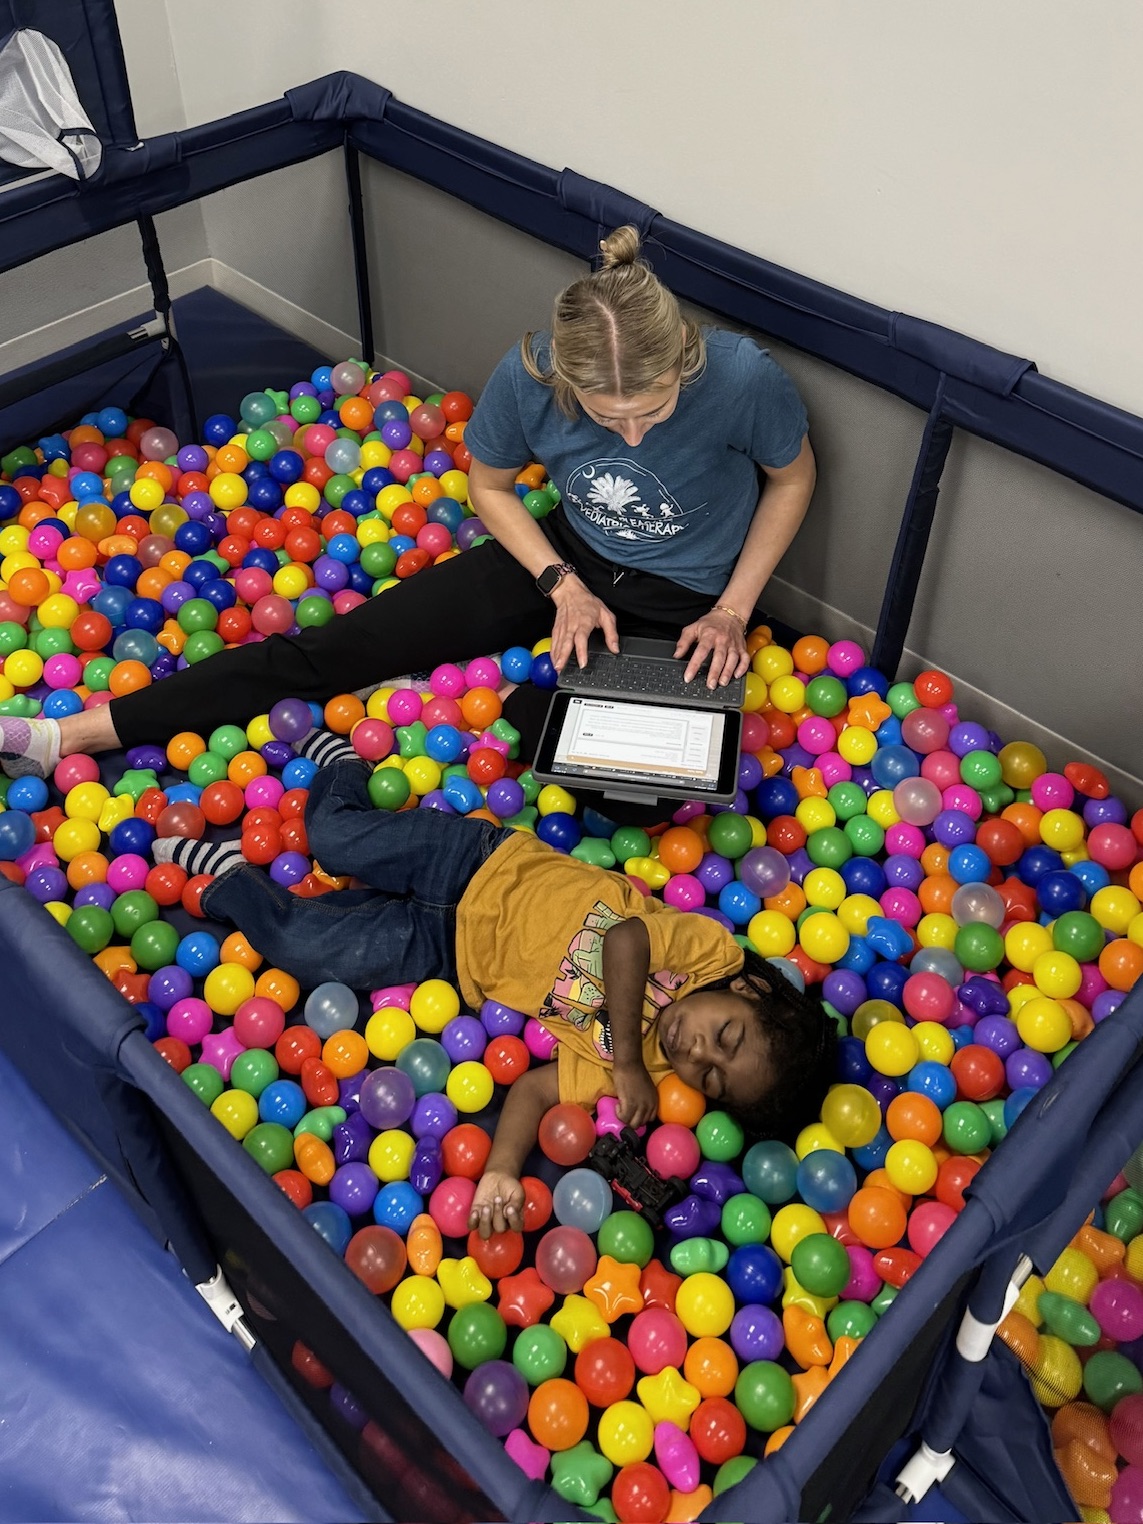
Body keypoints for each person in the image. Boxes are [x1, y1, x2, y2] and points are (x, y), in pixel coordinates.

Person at [0, 225, 816, 782]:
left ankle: (535, 706)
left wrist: (731, 611)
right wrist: (559, 582)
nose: (633, 437)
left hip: (679, 596)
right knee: (330, 653)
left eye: (655, 410)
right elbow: (489, 488)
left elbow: (792, 477)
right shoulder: (527, 377)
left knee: (643, 779)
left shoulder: (742, 378)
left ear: (684, 360)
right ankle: (62, 737)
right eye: (608, 419)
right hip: (561, 554)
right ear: (566, 383)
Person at [158, 731, 836, 1238]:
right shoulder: (705, 955)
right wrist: (627, 1057)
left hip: (450, 953)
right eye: (725, 1036)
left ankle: (229, 882)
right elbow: (624, 938)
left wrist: (500, 1170)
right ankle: (344, 766)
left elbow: (537, 1089)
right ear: (746, 994)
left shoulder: (646, 1080)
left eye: (709, 1078)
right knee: (334, 839)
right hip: (478, 865)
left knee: (302, 945)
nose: (696, 1053)